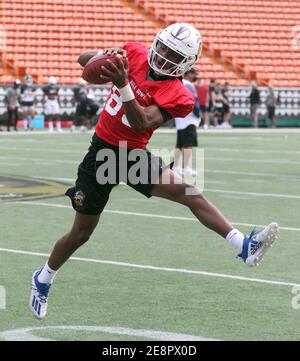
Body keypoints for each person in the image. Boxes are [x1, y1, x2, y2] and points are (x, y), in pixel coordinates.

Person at [29, 23, 278, 320]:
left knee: (191, 194)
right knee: (81, 233)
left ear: (185, 64)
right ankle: (43, 277)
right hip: (101, 154)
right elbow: (84, 60)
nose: (163, 57)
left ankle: (243, 246)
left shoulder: (180, 95)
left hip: (133, 155)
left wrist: (122, 85)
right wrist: (104, 57)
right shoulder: (134, 52)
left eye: (173, 54)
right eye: (163, 48)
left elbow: (142, 122)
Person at [174, 67, 200, 176]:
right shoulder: (188, 85)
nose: (195, 76)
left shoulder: (180, 83)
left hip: (181, 119)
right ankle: (186, 167)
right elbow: (192, 101)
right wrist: (198, 114)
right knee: (188, 144)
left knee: (179, 144)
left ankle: (175, 167)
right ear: (188, 73)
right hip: (189, 119)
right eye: (194, 73)